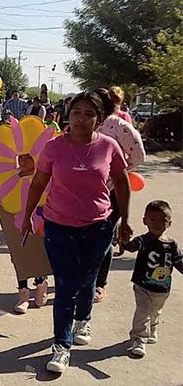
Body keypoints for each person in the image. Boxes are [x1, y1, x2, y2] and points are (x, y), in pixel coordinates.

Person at [21, 91, 132, 374]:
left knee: (88, 278)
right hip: (59, 225)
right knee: (67, 284)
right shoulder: (54, 147)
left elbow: (121, 182)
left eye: (89, 114)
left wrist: (126, 220)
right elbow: (38, 182)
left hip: (98, 226)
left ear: (99, 118)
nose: (81, 119)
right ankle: (61, 346)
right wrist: (27, 215)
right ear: (67, 116)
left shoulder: (109, 146)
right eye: (76, 113)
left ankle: (84, 318)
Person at [93, 87, 146, 303]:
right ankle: (85, 278)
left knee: (104, 236)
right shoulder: (88, 123)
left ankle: (100, 283)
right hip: (85, 190)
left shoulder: (120, 126)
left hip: (111, 191)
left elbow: (139, 156)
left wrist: (118, 172)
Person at [124, 200, 182, 357]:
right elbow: (131, 246)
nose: (156, 224)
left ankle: (153, 328)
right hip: (142, 285)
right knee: (142, 311)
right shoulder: (143, 240)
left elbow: (178, 261)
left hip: (162, 288)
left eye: (162, 220)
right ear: (145, 221)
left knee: (155, 312)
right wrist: (123, 240)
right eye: (152, 219)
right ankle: (139, 339)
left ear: (169, 223)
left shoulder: (171, 244)